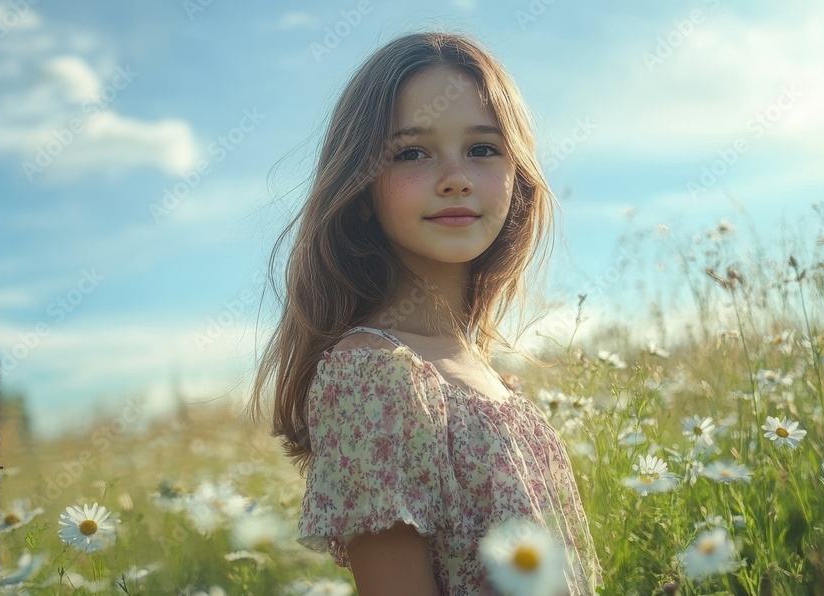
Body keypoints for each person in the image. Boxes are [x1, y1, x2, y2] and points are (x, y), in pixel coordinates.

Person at [250, 30, 602, 595]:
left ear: (518, 175)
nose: (456, 177)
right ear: (361, 188)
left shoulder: (488, 377)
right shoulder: (374, 375)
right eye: (412, 152)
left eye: (484, 148)